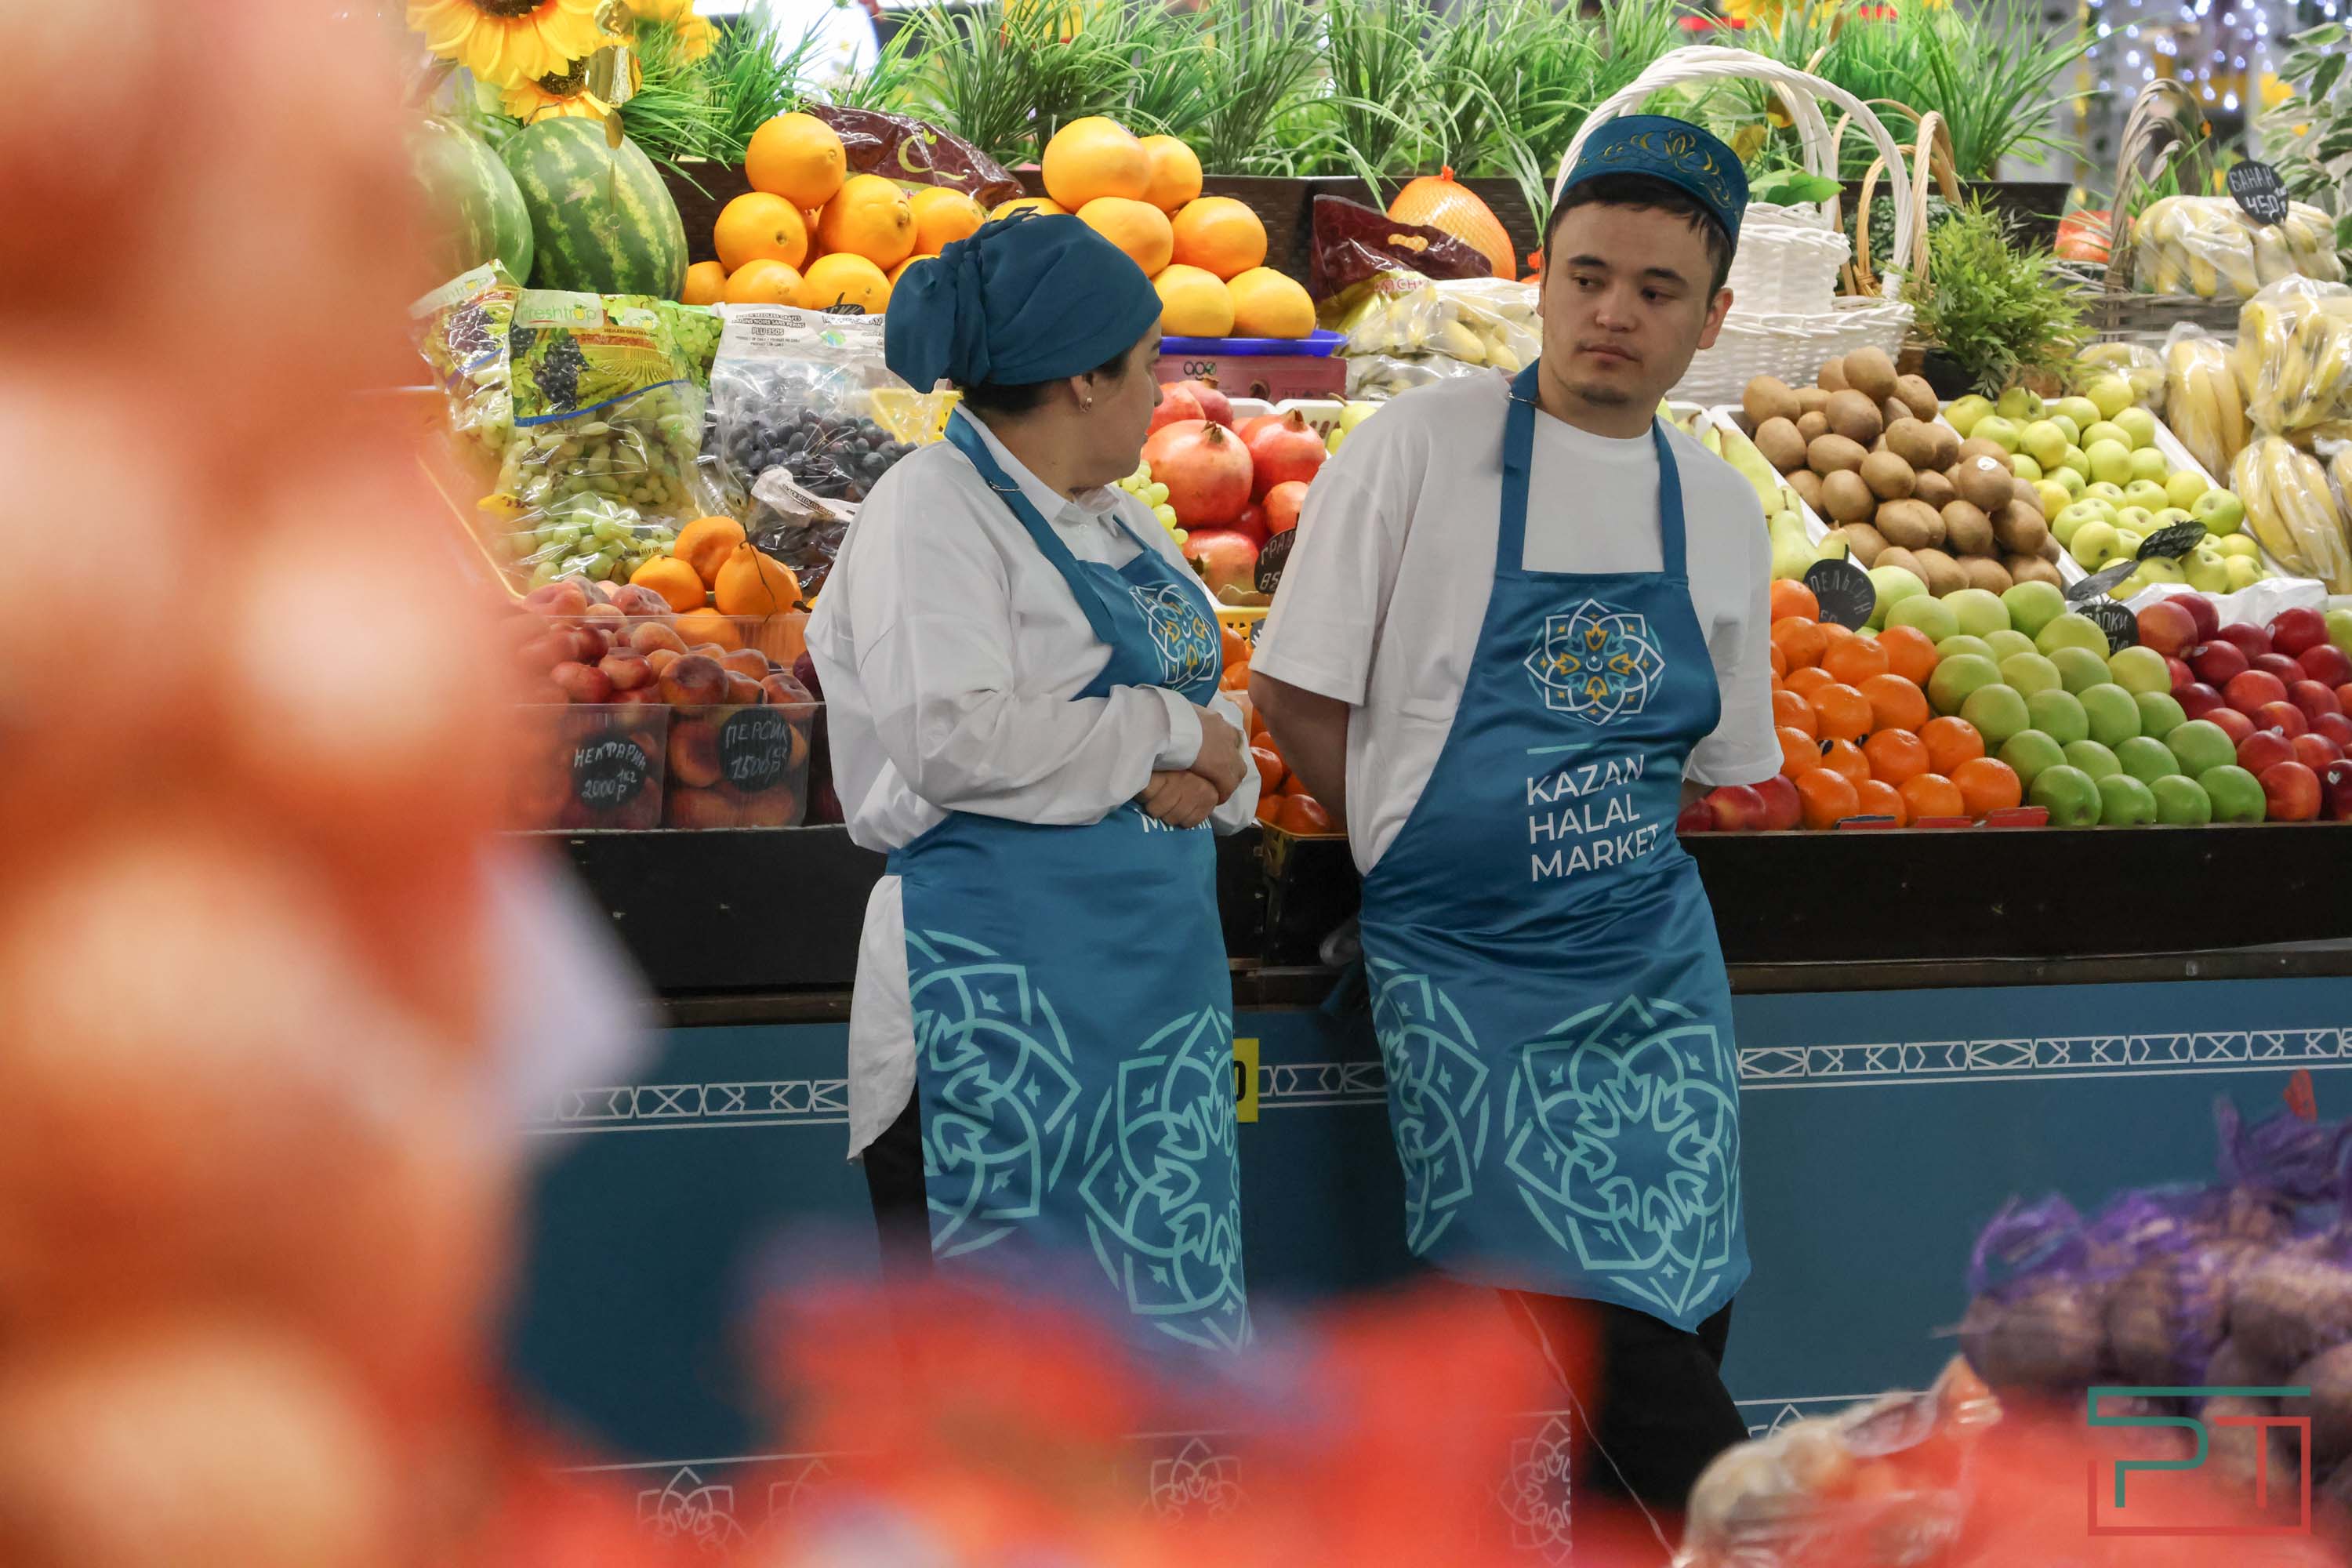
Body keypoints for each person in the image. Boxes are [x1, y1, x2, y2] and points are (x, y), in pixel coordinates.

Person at [1247, 117, 1779, 1514]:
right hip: (1467, 974)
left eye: (1658, 290)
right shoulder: (1416, 452)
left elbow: (1705, 762)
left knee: (1684, 1308)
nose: (1614, 314)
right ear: (1542, 279)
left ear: (1715, 315)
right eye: (1588, 277)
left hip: (1651, 976)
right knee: (1606, 1341)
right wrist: (1410, 837)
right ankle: (1771, 1535)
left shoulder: (1718, 510)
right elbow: (1296, 691)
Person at [808, 211, 1260, 1356]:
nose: (1164, 392)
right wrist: (1169, 733)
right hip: (996, 1016)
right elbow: (952, 735)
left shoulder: (1122, 521)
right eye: (1148, 363)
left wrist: (1214, 766)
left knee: (1146, 1378)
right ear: (1082, 378)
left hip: (1151, 1013)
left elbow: (1221, 717)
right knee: (1005, 1390)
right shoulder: (931, 507)